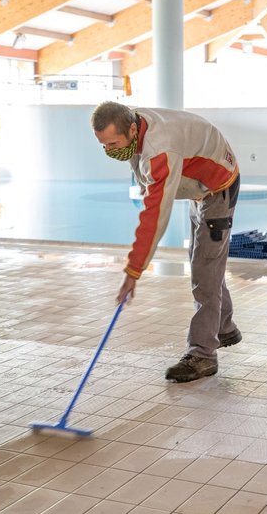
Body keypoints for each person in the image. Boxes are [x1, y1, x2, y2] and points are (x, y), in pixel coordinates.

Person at [91, 101, 241, 383]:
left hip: (217, 187)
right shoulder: (132, 123)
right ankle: (224, 326)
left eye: (113, 143)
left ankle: (203, 354)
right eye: (104, 145)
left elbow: (155, 215)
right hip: (200, 187)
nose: (109, 151)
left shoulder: (161, 149)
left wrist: (134, 270)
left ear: (132, 130)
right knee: (204, 260)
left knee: (204, 271)